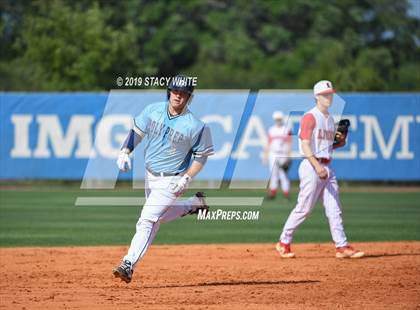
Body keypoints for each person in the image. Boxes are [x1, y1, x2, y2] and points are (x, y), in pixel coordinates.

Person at [113, 75, 214, 283]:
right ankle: (194, 205)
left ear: (189, 97)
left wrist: (187, 177)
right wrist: (125, 150)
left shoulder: (196, 125)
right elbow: (137, 132)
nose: (178, 96)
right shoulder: (153, 110)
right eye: (175, 91)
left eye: (183, 93)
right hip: (149, 175)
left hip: (172, 180)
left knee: (147, 219)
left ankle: (128, 263)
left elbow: (201, 157)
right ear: (169, 92)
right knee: (158, 217)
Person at [275, 80, 364, 259]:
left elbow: (327, 147)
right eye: (325, 94)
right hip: (311, 166)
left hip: (326, 166)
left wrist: (340, 142)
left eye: (330, 94)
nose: (329, 97)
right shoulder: (310, 117)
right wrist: (316, 166)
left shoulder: (330, 119)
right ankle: (283, 242)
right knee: (305, 208)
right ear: (317, 96)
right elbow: (305, 145)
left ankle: (342, 246)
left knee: (334, 208)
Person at [263, 111, 292, 200]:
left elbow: (289, 143)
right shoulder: (271, 129)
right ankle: (273, 193)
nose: (278, 121)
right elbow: (268, 143)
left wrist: (289, 155)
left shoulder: (286, 129)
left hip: (283, 154)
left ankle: (286, 193)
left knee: (283, 174)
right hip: (273, 153)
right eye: (276, 119)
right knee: (273, 174)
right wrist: (266, 155)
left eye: (279, 119)